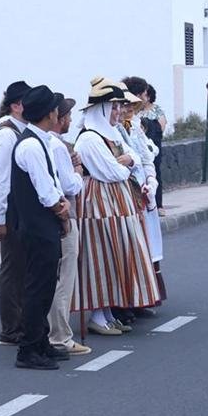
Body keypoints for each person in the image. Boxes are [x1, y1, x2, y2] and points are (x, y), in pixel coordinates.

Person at [73, 78, 162, 336]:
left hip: (115, 204)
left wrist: (129, 160)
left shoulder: (110, 134)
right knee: (101, 257)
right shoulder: (89, 139)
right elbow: (111, 171)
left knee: (115, 257)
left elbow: (134, 155)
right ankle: (98, 316)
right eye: (112, 107)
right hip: (98, 206)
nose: (117, 112)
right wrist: (127, 163)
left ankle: (108, 313)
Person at [8, 85, 73, 370]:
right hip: (37, 225)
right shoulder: (31, 145)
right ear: (49, 113)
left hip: (41, 225)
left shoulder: (40, 140)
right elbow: (46, 191)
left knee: (45, 286)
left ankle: (41, 341)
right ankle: (28, 348)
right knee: (37, 287)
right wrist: (63, 210)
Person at [43, 95, 91, 359]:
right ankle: (60, 335)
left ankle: (53, 331)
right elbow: (70, 185)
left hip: (48, 217)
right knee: (66, 276)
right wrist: (78, 170)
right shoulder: (58, 146)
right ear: (58, 118)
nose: (71, 120)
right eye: (68, 115)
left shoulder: (42, 142)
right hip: (65, 212)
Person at [0, 80, 33, 347]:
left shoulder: (20, 131)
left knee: (21, 269)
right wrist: (0, 219)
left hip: (20, 210)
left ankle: (20, 323)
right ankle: (11, 329)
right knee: (12, 270)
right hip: (12, 211)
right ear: (16, 106)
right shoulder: (6, 135)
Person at [121, 75, 166, 314]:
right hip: (128, 192)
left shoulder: (136, 125)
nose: (128, 109)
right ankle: (130, 301)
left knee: (147, 245)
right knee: (133, 248)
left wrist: (151, 180)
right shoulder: (113, 130)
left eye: (131, 105)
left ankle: (144, 297)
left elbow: (147, 156)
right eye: (124, 105)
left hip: (144, 189)